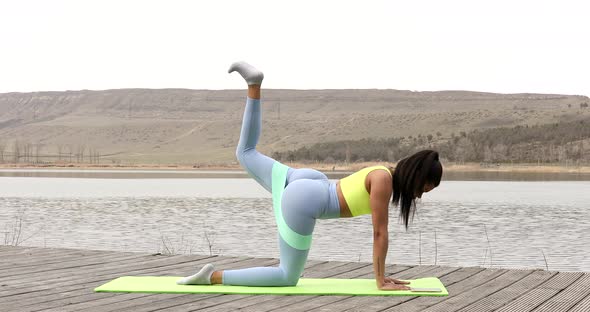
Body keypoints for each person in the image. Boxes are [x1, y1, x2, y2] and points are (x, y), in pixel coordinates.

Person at [177, 61, 443, 291]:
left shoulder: (383, 173)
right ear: (417, 176)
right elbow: (379, 234)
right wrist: (380, 279)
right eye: (425, 188)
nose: (420, 194)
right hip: (305, 199)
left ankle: (253, 85)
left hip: (309, 182)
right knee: (286, 276)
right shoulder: (384, 182)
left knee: (245, 152)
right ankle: (212, 277)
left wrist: (382, 276)